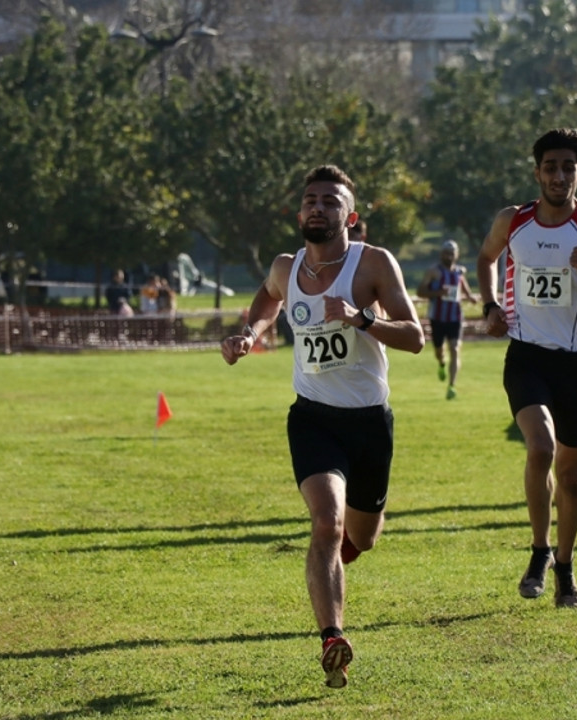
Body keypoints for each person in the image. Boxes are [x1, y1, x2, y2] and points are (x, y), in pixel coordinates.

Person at [220, 164, 424, 689]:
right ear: (299, 213)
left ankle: (334, 560)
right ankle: (332, 636)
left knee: (362, 537)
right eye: (310, 200)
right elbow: (269, 297)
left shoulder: (373, 264)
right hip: (312, 418)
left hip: (369, 422)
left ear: (350, 216)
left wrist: (361, 318)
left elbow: (415, 336)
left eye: (330, 201)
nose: (318, 207)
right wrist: (250, 332)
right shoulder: (285, 267)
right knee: (326, 523)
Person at [476, 128, 577, 609]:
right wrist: (490, 305)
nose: (559, 175)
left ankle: (564, 565)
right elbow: (486, 258)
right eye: (550, 167)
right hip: (526, 356)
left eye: (569, 167)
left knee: (571, 477)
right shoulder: (515, 220)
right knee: (540, 446)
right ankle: (539, 550)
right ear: (537, 172)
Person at [416, 239, 478, 399]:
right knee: (439, 351)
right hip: (437, 317)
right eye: (446, 253)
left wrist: (470, 297)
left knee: (455, 348)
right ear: (441, 254)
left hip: (455, 317)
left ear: (456, 255)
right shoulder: (433, 272)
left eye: (451, 253)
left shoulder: (459, 272)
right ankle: (441, 363)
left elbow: (462, 286)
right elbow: (420, 291)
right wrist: (438, 293)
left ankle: (452, 385)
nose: (449, 256)